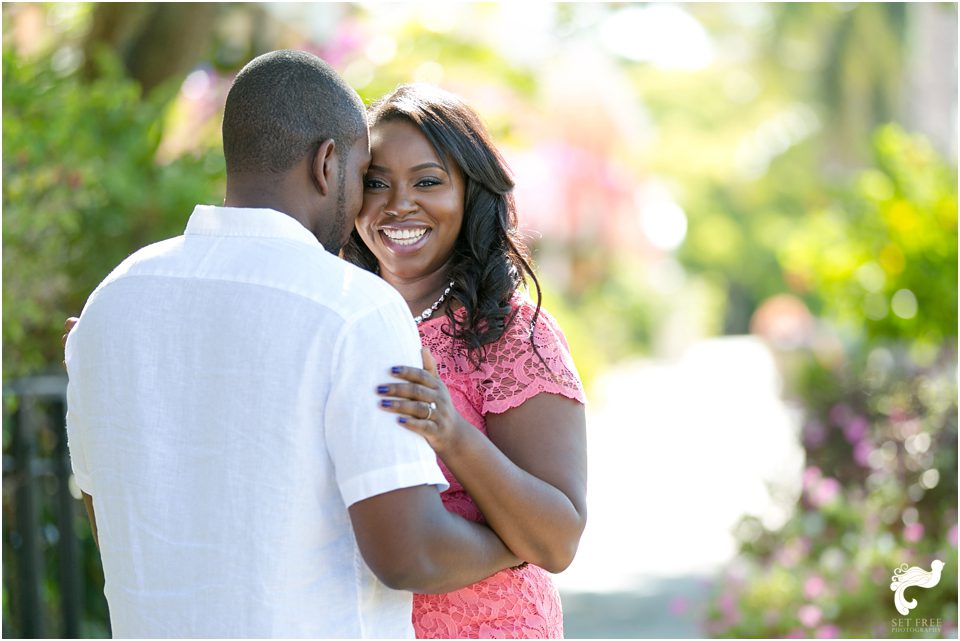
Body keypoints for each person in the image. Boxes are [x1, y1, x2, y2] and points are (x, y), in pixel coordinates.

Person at [63, 51, 522, 638]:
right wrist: (511, 545)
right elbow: (411, 555)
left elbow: (113, 516)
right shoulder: (354, 309)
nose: (365, 204)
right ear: (328, 164)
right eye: (365, 178)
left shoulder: (111, 302)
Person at [342, 84, 588, 638]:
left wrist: (451, 431)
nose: (399, 203)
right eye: (376, 182)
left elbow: (558, 540)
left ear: (470, 194)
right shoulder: (334, 324)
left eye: (427, 181)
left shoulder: (513, 334)